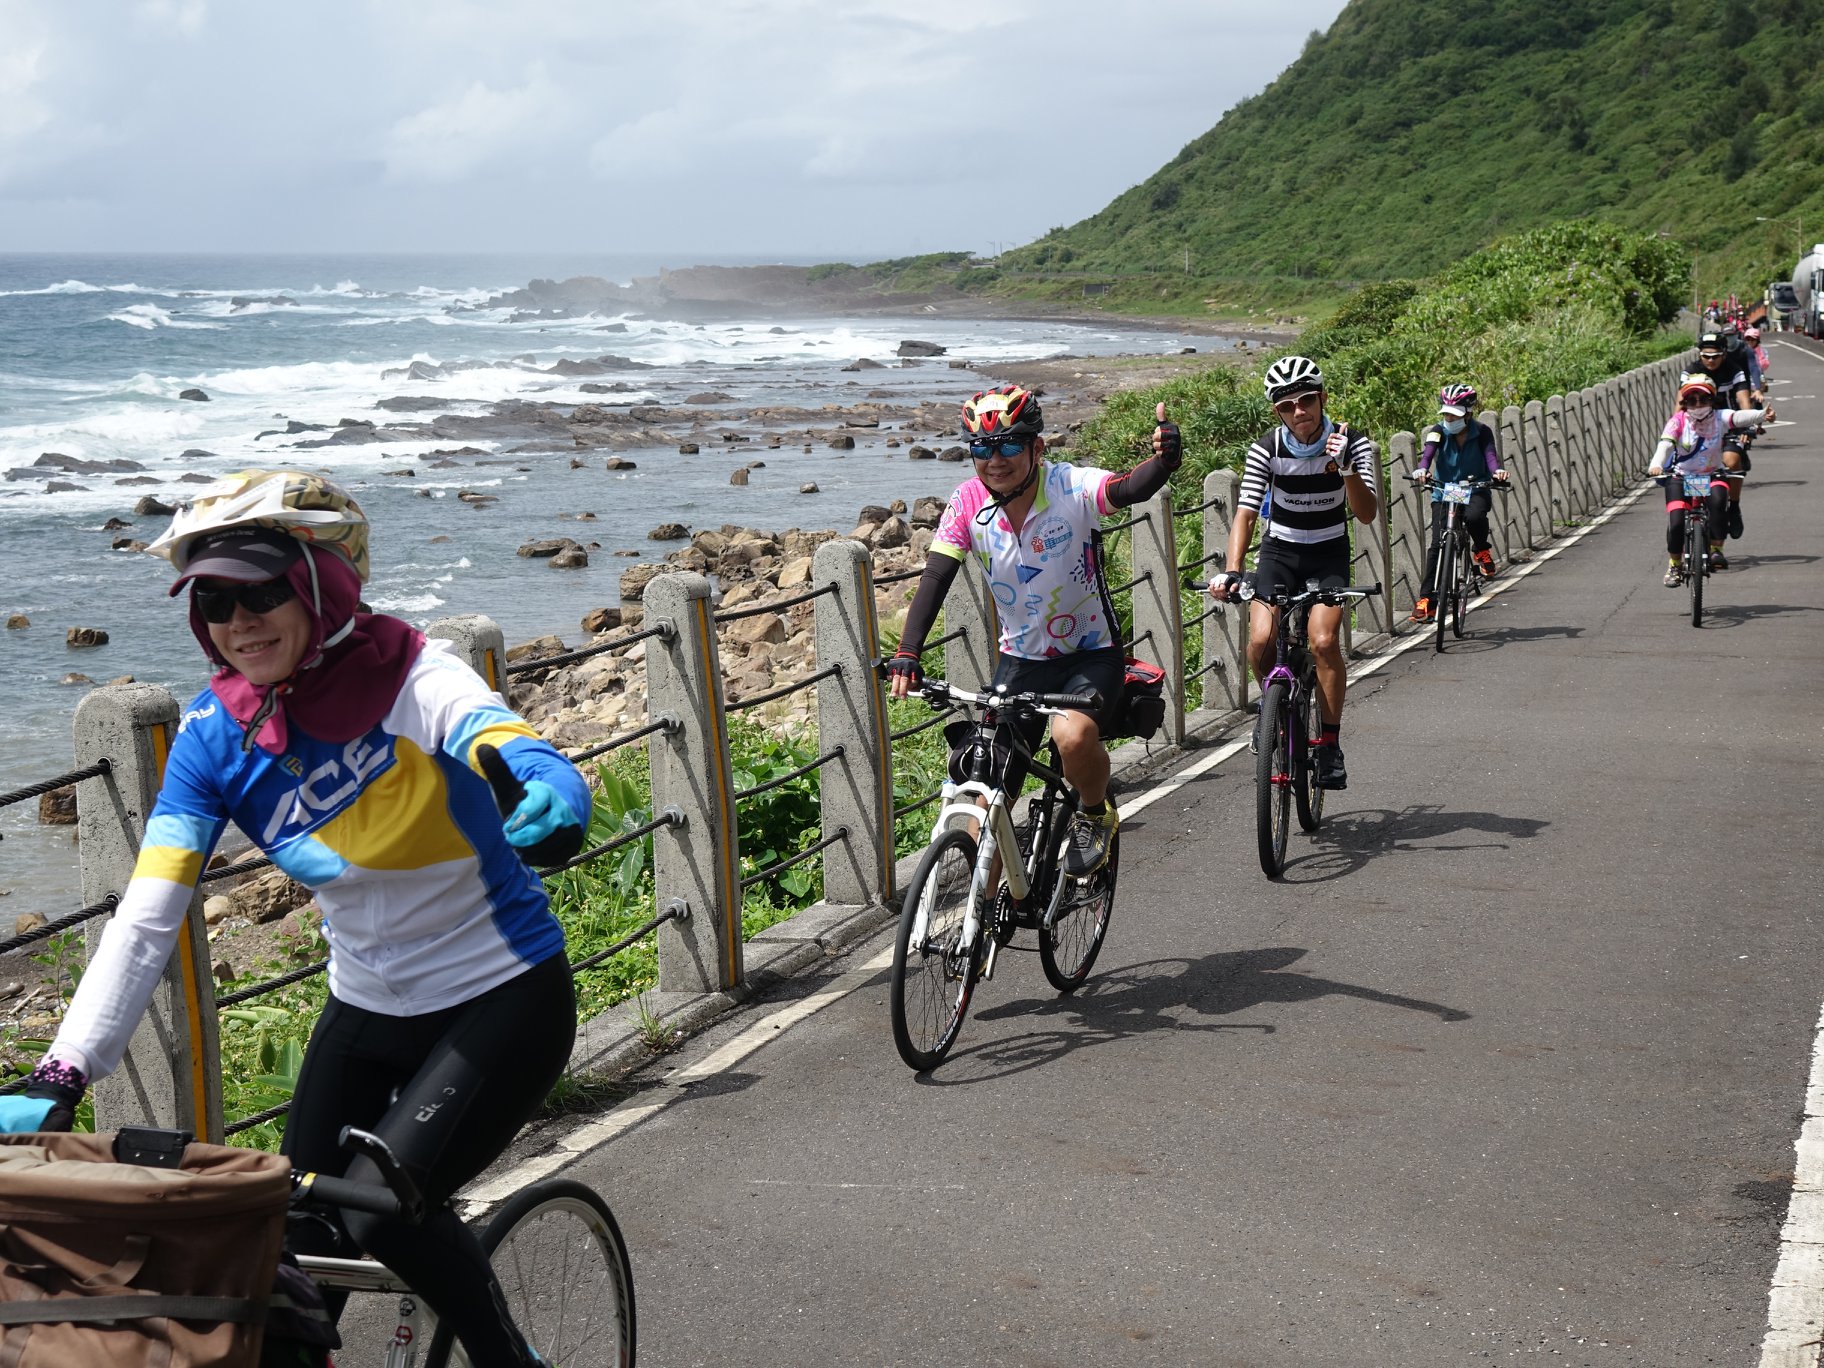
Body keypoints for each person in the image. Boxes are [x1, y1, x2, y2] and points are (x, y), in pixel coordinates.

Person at [0, 469, 590, 1368]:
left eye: (264, 592)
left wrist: (547, 780)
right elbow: (147, 920)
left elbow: (489, 727)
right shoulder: (211, 738)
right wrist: (63, 1069)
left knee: (378, 1214)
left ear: (323, 586)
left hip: (499, 997)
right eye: (215, 602)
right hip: (364, 1011)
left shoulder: (412, 674)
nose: (239, 623)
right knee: (285, 1250)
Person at [886, 384, 1183, 878]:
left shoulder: (1069, 487)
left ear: (1037, 448)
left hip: (1090, 654)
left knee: (1072, 739)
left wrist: (1164, 461)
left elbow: (1126, 488)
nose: (993, 460)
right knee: (987, 788)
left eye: (1007, 445)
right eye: (981, 447)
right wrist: (908, 651)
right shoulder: (967, 502)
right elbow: (937, 575)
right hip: (1021, 661)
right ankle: (979, 926)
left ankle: (1094, 811)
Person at [1207, 356, 1379, 790]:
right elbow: (1246, 513)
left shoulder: (1350, 442)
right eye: (1287, 405)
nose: (1299, 411)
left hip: (1328, 552)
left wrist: (1345, 469)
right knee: (1261, 641)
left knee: (1323, 641)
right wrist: (1232, 571)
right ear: (1277, 412)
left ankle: (1330, 745)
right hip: (1280, 552)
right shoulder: (1267, 448)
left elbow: (1366, 513)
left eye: (1306, 400)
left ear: (1322, 398)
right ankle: (1272, 710)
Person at [1649, 375, 1765, 581]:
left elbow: (1740, 417)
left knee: (1719, 502)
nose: (1698, 404)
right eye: (1692, 400)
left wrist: (1763, 415)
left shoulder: (1720, 418)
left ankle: (1716, 549)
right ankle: (1675, 565)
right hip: (1681, 476)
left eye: (1703, 399)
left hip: (1712, 475)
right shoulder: (1677, 421)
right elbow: (1665, 445)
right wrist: (1656, 465)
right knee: (1676, 522)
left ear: (1712, 400)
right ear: (1684, 403)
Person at [1409, 383, 1508, 624]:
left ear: (1468, 413)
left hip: (1475, 488)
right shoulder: (1438, 431)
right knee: (1436, 545)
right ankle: (1427, 601)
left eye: (1455, 414)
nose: (1449, 418)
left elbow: (1491, 457)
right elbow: (1427, 454)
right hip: (1445, 491)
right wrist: (1422, 470)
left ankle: (1482, 549)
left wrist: (1497, 473)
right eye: (1446, 413)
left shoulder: (1482, 432)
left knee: (1475, 517)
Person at [1692, 330, 1759, 539]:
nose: (1710, 361)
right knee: (1695, 468)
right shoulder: (1691, 372)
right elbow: (1679, 405)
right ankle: (1696, 514)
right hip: (1698, 429)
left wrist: (1748, 423)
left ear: (1724, 354)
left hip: (1728, 426)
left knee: (1731, 462)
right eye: (1705, 356)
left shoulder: (1734, 370)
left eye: (1715, 356)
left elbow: (1743, 401)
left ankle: (1734, 507)